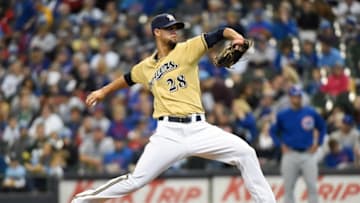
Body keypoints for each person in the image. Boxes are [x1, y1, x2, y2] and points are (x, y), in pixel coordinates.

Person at [72, 13, 276, 203]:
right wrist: (102, 92)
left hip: (199, 129)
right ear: (156, 32)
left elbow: (220, 32)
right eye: (169, 28)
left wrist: (237, 37)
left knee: (246, 153)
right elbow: (126, 79)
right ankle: (81, 201)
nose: (174, 31)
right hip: (168, 134)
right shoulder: (146, 67)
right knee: (135, 180)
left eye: (175, 28)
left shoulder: (187, 48)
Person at [270, 85, 327, 203]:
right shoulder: (283, 115)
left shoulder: (310, 112)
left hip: (308, 153)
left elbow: (322, 127)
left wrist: (318, 143)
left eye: (299, 96)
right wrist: (280, 145)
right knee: (288, 188)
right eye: (295, 96)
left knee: (312, 187)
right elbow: (273, 131)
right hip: (290, 154)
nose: (297, 99)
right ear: (290, 98)